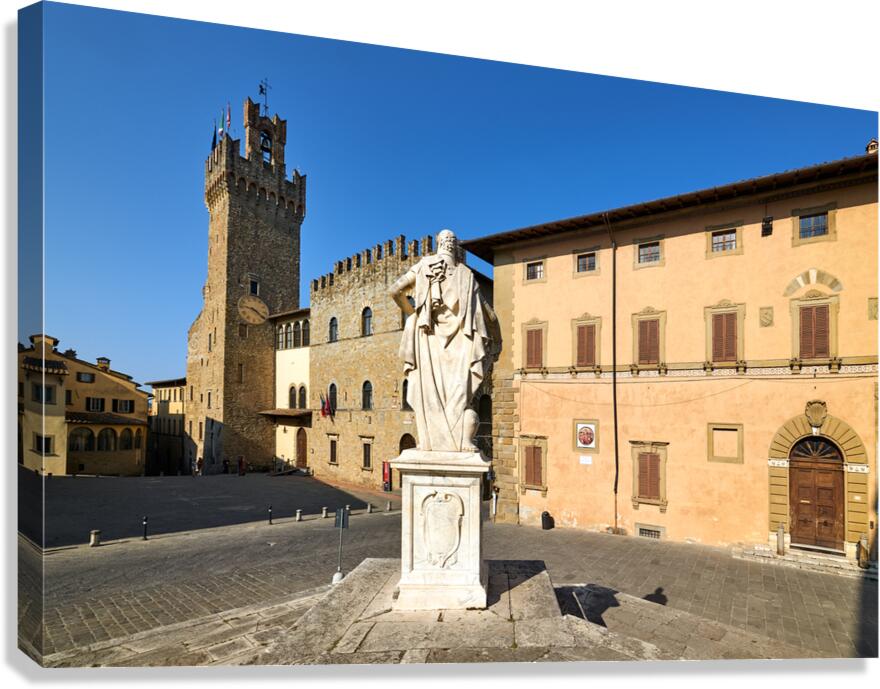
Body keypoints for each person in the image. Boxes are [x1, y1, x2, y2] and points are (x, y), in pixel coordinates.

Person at [389, 229, 500, 452]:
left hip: (427, 339)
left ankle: (429, 442)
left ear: (439, 244)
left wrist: (413, 314)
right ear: (455, 247)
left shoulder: (422, 267)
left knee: (427, 393)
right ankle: (461, 441)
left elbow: (395, 291)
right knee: (459, 395)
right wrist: (496, 339)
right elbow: (491, 316)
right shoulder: (466, 275)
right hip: (462, 342)